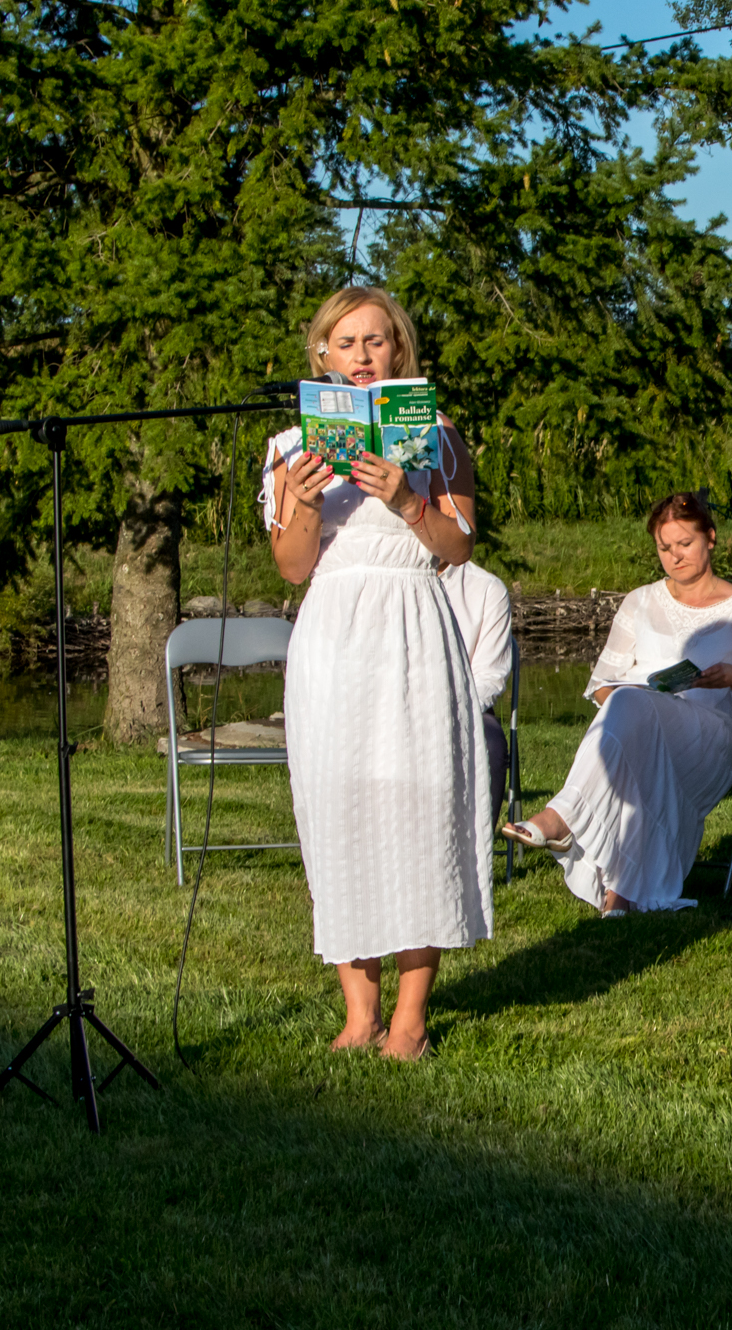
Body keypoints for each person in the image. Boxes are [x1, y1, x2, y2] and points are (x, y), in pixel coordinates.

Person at [263, 286, 486, 1061]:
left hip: (412, 629)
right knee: (338, 813)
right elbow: (293, 569)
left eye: (377, 341)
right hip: (332, 637)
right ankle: (359, 1012)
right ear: (321, 354)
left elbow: (457, 550)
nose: (361, 356)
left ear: (400, 352)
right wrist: (299, 502)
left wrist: (406, 498)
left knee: (422, 811)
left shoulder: (439, 436)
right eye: (346, 342)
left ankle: (410, 1021)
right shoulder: (292, 445)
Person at [501, 493, 732, 914]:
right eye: (664, 548)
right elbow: (600, 686)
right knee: (629, 706)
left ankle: (563, 817)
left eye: (684, 544)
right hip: (639, 726)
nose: (674, 557)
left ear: (710, 538)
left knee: (633, 707)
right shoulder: (640, 600)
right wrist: (628, 698)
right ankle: (622, 894)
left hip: (708, 738)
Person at [438, 558, 514, 823]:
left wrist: (448, 710)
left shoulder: (486, 589)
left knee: (490, 743)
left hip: (468, 707)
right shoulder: (388, 581)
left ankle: (479, 856)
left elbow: (489, 677)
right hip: (393, 706)